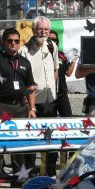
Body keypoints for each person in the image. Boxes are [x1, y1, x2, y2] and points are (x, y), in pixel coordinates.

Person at [0, 28, 36, 177]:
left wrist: (32, 108)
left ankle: (19, 176)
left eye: (16, 41)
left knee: (19, 143)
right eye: (10, 41)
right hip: (0, 106)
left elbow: (31, 86)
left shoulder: (25, 62)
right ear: (4, 42)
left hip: (20, 107)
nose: (13, 44)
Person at [19, 16, 59, 176]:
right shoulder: (24, 50)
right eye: (40, 29)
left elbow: (56, 70)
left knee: (50, 137)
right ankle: (29, 171)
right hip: (32, 101)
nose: (43, 32)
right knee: (30, 137)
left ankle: (49, 170)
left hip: (50, 99)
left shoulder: (52, 46)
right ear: (33, 31)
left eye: (46, 30)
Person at [51, 30, 77, 117]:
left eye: (54, 40)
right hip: (48, 95)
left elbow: (68, 73)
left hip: (61, 94)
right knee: (48, 121)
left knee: (68, 118)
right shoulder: (41, 55)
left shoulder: (62, 55)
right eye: (49, 39)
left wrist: (74, 60)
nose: (52, 42)